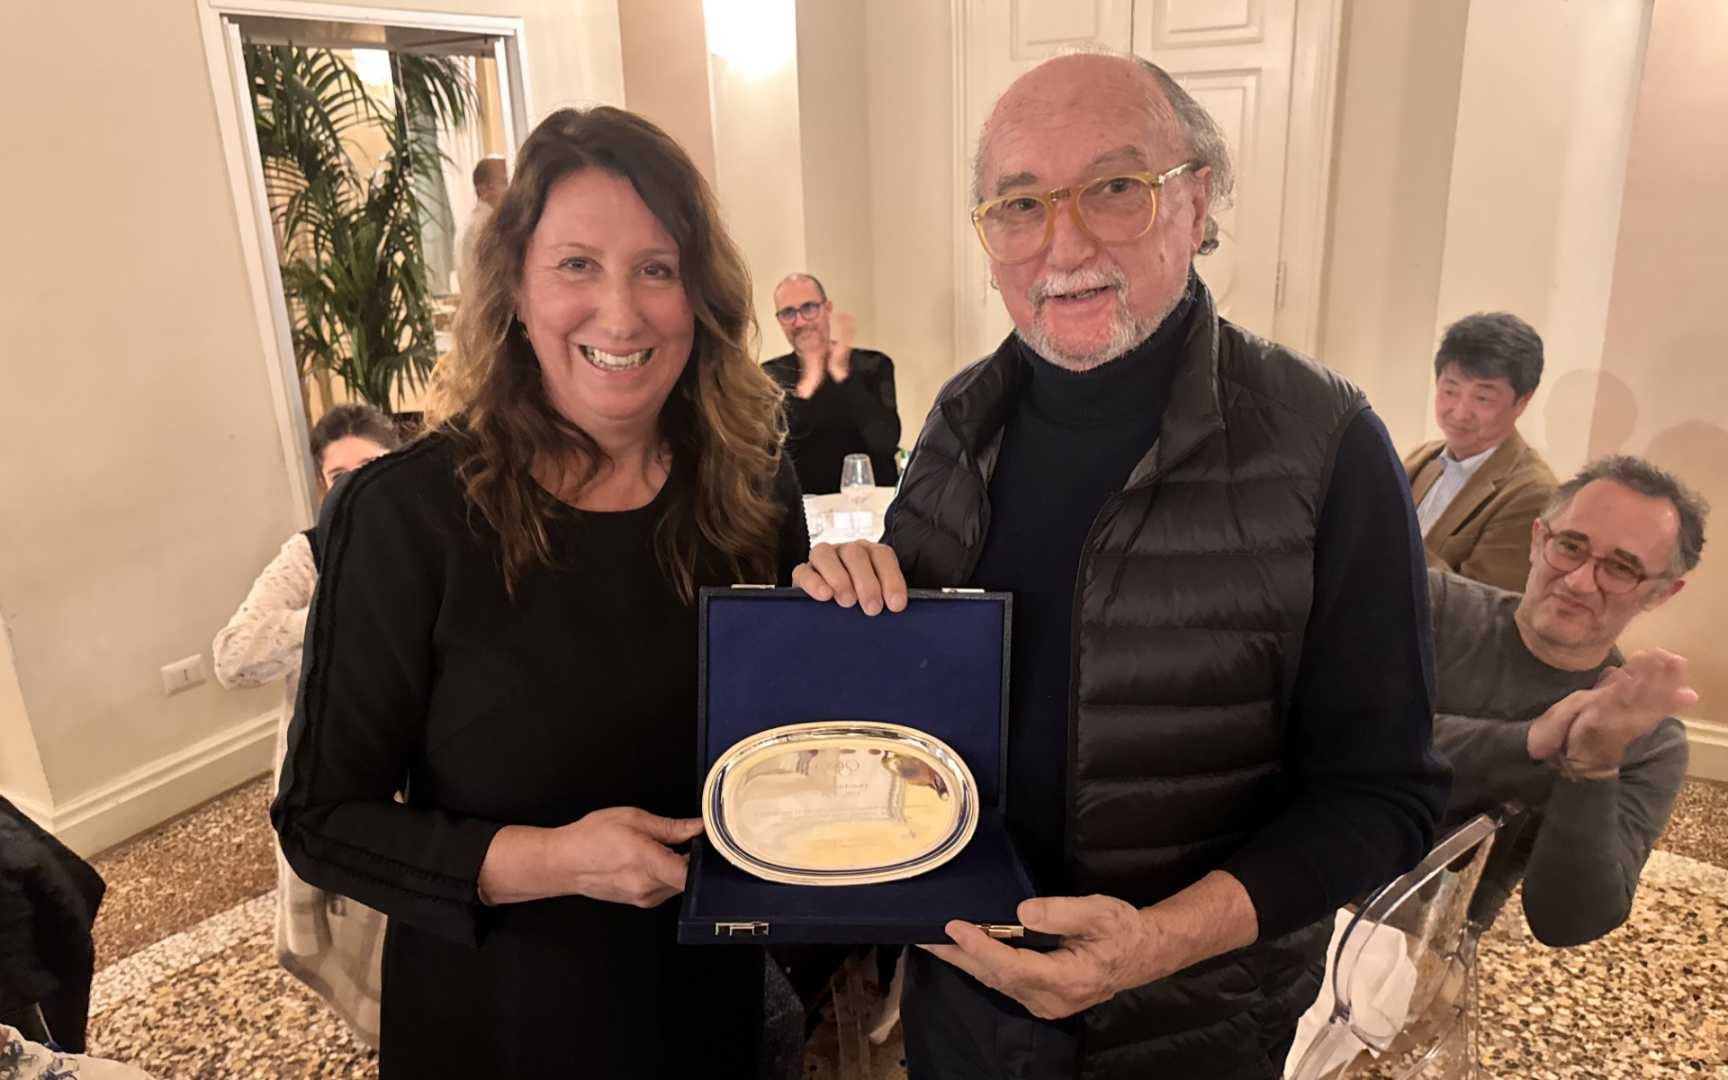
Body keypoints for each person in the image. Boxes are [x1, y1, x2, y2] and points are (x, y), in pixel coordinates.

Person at [793, 53, 1448, 1079]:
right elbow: (910, 713)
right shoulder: (960, 422)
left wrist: (1153, 946)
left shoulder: (1326, 444)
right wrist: (840, 616)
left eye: (1114, 188)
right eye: (1020, 205)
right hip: (964, 1006)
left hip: (1185, 1029)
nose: (1064, 244)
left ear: (1197, 203)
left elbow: (1383, 797)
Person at [271, 106, 807, 1077]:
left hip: (709, 1004)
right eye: (577, 265)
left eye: (657, 268)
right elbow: (321, 820)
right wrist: (557, 860)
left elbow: (792, 742)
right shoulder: (406, 515)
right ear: (515, 289)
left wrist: (859, 619)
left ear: (700, 294)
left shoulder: (752, 488)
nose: (621, 313)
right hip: (503, 1018)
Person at [1432, 454, 1703, 945]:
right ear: (1538, 540)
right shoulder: (1431, 609)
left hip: (1425, 947)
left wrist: (1593, 767)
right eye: (1571, 546)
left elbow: (1566, 922)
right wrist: (1531, 741)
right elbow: (1331, 743)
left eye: (1620, 568)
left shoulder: (1648, 739)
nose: (1578, 582)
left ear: (1661, 593)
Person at [212, 402, 399, 1048]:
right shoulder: (308, 556)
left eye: (369, 467)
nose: (353, 485)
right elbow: (234, 657)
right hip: (339, 767)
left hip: (422, 765)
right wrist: (333, 614)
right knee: (359, 922)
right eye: (338, 475)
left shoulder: (429, 538)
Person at [1404, 312, 1557, 592]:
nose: (1460, 412)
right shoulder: (1423, 458)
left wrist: (1389, 536)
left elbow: (1481, 603)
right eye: (1450, 391)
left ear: (1523, 401)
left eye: (1483, 398)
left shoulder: (1532, 493)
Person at [762, 273, 899, 494]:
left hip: (869, 503)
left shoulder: (873, 364)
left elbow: (885, 443)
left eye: (809, 308)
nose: (800, 321)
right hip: (805, 505)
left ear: (827, 308)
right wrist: (809, 381)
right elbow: (773, 457)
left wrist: (843, 376)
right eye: (788, 313)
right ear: (779, 320)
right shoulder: (769, 375)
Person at [457, 155, 508, 289]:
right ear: (483, 190)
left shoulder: (472, 223)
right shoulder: (485, 226)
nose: (512, 189)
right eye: (504, 182)